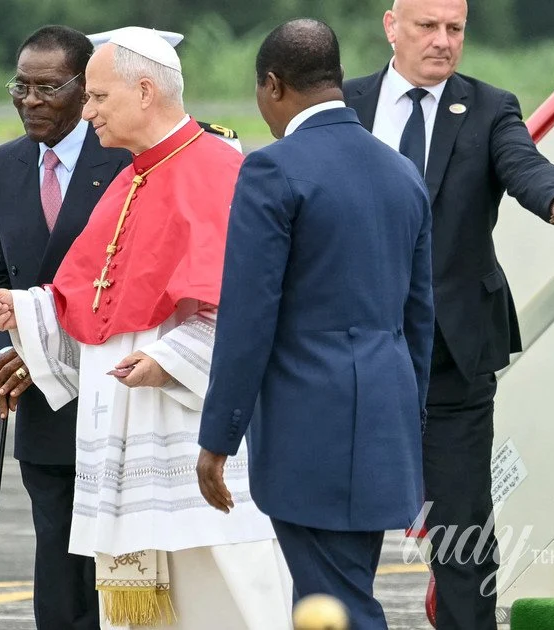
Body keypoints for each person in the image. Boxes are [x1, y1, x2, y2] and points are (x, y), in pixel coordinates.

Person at [0, 27, 291, 630]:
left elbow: (245, 306)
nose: (85, 111)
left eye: (96, 97)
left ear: (144, 92)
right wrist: (28, 312)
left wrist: (169, 360)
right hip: (130, 417)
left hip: (187, 427)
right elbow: (97, 302)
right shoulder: (132, 176)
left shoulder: (216, 168)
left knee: (221, 588)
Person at [343, 1, 554, 626]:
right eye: (427, 26)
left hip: (453, 357)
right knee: (343, 534)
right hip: (352, 354)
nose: (442, 41)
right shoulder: (344, 105)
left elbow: (523, 165)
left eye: (454, 29)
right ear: (391, 26)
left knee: (463, 535)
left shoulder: (489, 107)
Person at [197, 19, 433, 629]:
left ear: (273, 85)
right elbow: (420, 319)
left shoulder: (272, 170)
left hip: (310, 428)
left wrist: (218, 438)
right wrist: (408, 418)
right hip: (384, 418)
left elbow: (248, 319)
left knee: (335, 607)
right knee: (340, 591)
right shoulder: (403, 172)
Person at [0, 25, 129, 630]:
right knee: (56, 553)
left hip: (111, 389)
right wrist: (5, 353)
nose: (30, 100)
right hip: (41, 398)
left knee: (117, 564)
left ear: (85, 88)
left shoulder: (122, 160)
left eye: (48, 87)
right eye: (22, 85)